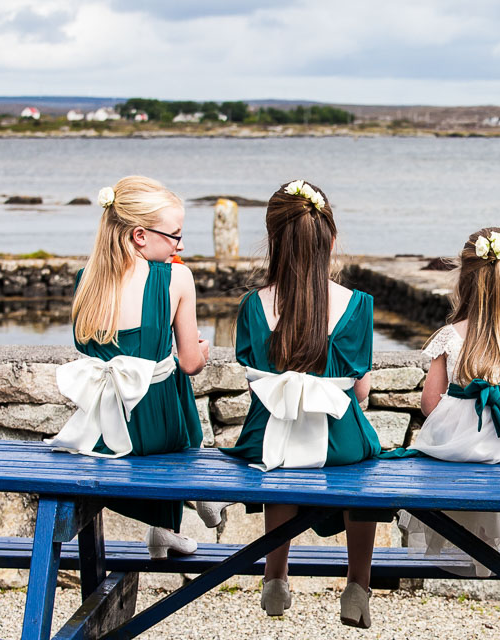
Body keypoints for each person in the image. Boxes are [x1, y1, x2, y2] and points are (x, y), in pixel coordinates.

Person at [219, 180, 380, 628]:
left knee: (281, 450)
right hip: (339, 443)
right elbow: (360, 392)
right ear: (330, 239)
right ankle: (357, 584)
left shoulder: (254, 305)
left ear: (274, 240)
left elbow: (258, 389)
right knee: (360, 469)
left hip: (267, 438)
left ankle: (275, 576)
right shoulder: (358, 304)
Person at [46, 175, 209, 559]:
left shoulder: (86, 281)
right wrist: (203, 350)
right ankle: (205, 495)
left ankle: (166, 530)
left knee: (158, 372)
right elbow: (189, 364)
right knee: (171, 378)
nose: (180, 245)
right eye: (174, 234)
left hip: (103, 433)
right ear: (139, 235)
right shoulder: (176, 278)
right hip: (156, 437)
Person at [391, 227, 500, 576]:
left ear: (464, 278)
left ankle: (462, 535)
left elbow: (428, 405)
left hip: (456, 455)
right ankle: (489, 540)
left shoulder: (450, 336)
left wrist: (465, 409)